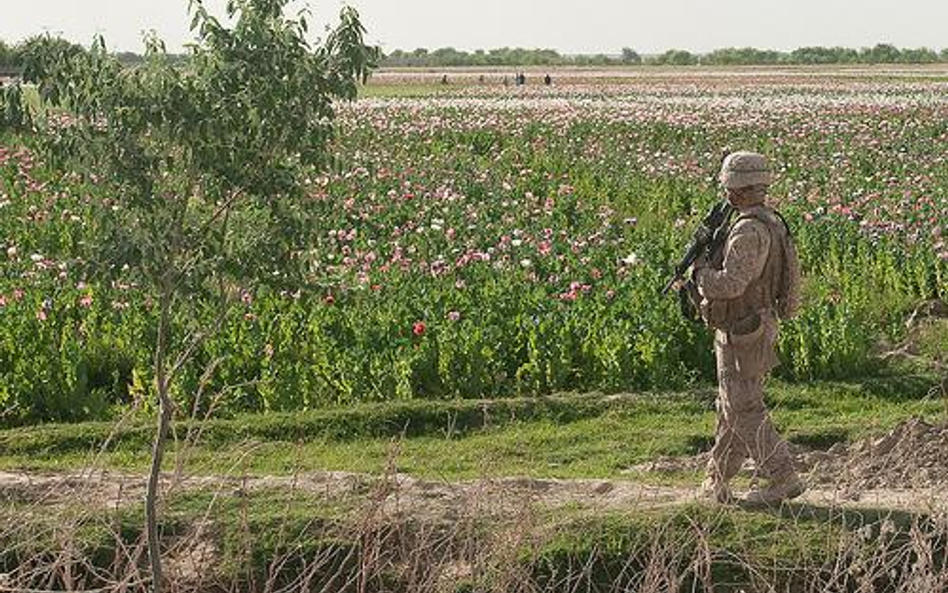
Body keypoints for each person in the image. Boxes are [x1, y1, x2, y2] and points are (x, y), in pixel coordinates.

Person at [692, 151, 805, 505]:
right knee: (731, 405)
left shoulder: (748, 230)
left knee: (743, 407)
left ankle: (782, 476)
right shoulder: (771, 221)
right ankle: (717, 479)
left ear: (736, 189)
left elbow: (732, 284)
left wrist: (700, 277)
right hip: (754, 323)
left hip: (743, 328)